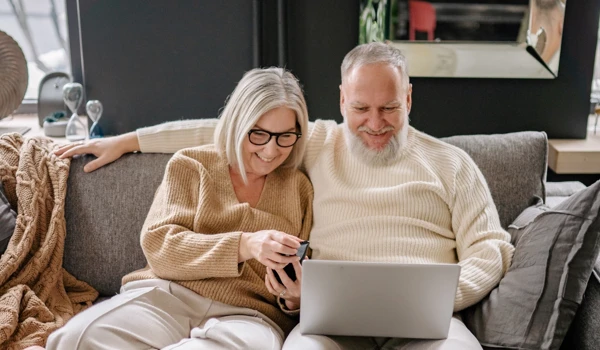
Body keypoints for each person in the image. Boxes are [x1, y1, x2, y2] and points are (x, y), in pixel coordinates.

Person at [56, 42, 515, 349]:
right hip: (332, 322)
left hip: (429, 322)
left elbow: (492, 246)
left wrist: (441, 296)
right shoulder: (313, 142)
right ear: (340, 101)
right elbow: (228, 130)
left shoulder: (452, 164)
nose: (375, 123)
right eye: (361, 108)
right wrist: (129, 140)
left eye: (389, 108)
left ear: (409, 99)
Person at [46, 67, 314, 350]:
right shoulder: (192, 165)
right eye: (258, 134)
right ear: (237, 123)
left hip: (249, 317)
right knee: (73, 339)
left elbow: (302, 284)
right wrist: (244, 245)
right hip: (168, 297)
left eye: (285, 136)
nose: (271, 150)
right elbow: (160, 246)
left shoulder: (298, 188)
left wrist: (295, 298)